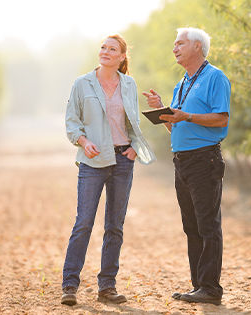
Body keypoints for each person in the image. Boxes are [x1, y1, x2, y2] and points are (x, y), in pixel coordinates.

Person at [61, 34, 156, 306]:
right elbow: (71, 122)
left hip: (122, 162)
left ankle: (107, 287)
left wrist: (135, 147)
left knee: (115, 226)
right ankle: (69, 285)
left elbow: (133, 123)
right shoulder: (82, 83)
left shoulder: (129, 84)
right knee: (84, 223)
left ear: (122, 57)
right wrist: (83, 140)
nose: (105, 51)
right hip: (92, 162)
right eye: (103, 47)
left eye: (112, 49)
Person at [143, 27, 230, 306]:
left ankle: (210, 288)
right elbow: (175, 127)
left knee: (208, 225)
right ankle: (199, 286)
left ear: (197, 47)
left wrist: (187, 115)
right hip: (182, 161)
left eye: (180, 43)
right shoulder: (182, 83)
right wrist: (162, 111)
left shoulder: (215, 77)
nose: (174, 48)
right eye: (174, 44)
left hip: (205, 159)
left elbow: (221, 119)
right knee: (191, 226)